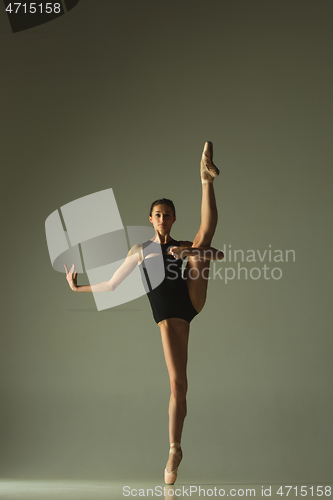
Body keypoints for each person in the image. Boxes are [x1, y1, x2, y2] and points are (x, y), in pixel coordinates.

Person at [64, 142, 224, 484]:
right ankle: (174, 449)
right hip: (168, 315)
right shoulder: (141, 250)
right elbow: (111, 285)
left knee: (197, 244)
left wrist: (196, 254)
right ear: (150, 219)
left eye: (168, 214)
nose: (163, 219)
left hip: (189, 301)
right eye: (158, 215)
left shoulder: (181, 245)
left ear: (173, 218)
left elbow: (213, 253)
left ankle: (206, 179)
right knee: (178, 385)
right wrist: (78, 288)